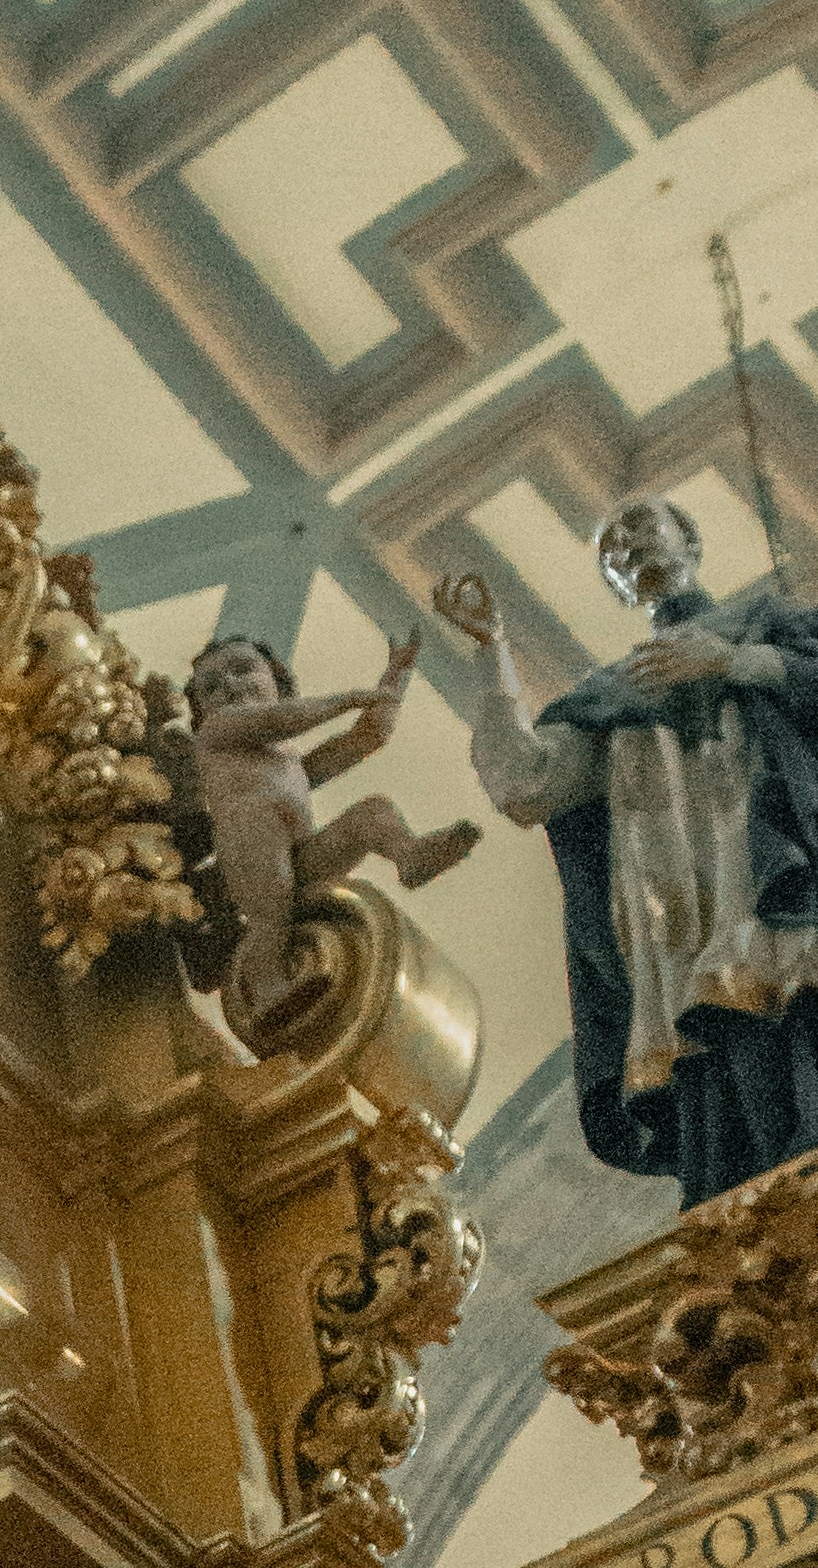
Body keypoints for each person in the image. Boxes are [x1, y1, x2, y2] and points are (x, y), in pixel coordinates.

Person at [436, 506, 818, 1203]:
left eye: (643, 525)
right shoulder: (608, 697)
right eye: (611, 549)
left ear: (691, 539)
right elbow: (524, 784)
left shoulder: (769, 621)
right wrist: (491, 652)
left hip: (772, 882)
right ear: (617, 587)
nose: (628, 545)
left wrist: (732, 661)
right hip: (679, 924)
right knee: (723, 1071)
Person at [176, 632, 473, 1032]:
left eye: (243, 669)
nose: (229, 685)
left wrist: (396, 674)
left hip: (301, 857)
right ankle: (267, 990)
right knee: (270, 917)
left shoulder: (288, 764)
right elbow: (278, 721)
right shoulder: (216, 734)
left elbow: (368, 737)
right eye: (211, 687)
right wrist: (350, 698)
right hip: (253, 849)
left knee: (373, 812)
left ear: (278, 680)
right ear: (202, 711)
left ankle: (409, 855)